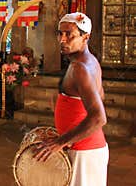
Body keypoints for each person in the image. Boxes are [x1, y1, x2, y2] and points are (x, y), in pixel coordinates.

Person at [33, 12, 109, 186]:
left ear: (85, 37)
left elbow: (99, 117)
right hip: (84, 149)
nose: (62, 39)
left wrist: (61, 141)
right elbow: (98, 98)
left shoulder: (81, 68)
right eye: (60, 33)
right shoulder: (88, 62)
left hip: (84, 151)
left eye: (69, 34)